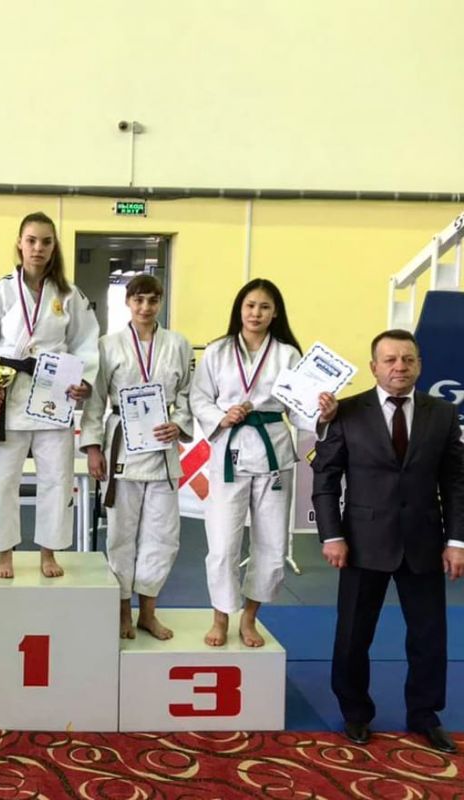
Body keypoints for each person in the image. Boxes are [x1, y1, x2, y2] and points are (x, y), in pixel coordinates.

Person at [312, 329, 464, 753]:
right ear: (374, 366)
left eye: (408, 359)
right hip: (361, 542)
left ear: (419, 365)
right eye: (391, 360)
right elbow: (326, 478)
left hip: (424, 541)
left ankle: (425, 714)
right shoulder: (346, 411)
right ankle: (355, 712)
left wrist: (457, 541)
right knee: (353, 634)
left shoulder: (443, 413)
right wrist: (332, 535)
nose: (400, 367)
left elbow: (456, 483)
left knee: (429, 636)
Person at [190, 278, 337, 648]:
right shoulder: (218, 351)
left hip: (273, 453)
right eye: (250, 305)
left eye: (264, 307)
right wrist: (221, 417)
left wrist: (322, 413)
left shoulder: (287, 354)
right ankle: (221, 616)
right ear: (240, 309)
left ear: (275, 313)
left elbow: (299, 410)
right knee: (223, 544)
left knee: (271, 546)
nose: (256, 313)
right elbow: (199, 398)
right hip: (230, 449)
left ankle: (250, 617)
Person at [0, 211, 99, 579]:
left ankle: (48, 552)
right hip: (9, 395)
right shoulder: (0, 291)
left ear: (54, 247)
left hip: (53, 394)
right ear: (20, 244)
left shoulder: (69, 295)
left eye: (46, 241)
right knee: (1, 480)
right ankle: (4, 554)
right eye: (32, 240)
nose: (38, 248)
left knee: (57, 478)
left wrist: (83, 380)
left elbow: (86, 342)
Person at [80, 275, 193, 639]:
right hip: (122, 450)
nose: (145, 307)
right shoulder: (107, 345)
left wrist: (178, 423)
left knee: (163, 536)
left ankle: (148, 612)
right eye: (139, 300)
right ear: (127, 302)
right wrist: (93, 447)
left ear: (161, 303)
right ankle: (121, 613)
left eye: (152, 300)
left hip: (161, 449)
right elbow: (95, 400)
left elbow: (188, 394)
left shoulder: (178, 344)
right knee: (120, 535)